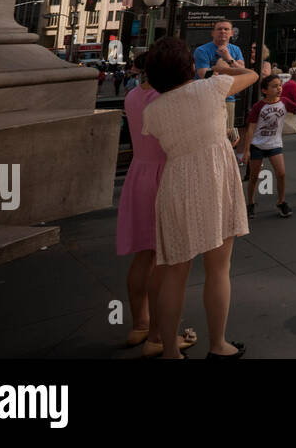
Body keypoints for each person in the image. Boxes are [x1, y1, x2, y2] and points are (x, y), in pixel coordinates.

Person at [142, 37, 257, 358]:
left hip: (175, 184)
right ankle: (218, 345)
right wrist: (221, 67)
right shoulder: (211, 87)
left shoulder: (152, 111)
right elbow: (252, 76)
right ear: (188, 67)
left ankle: (170, 352)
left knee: (175, 272)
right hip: (215, 177)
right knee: (218, 269)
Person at [115, 52, 196, 357]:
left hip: (139, 173)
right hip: (165, 175)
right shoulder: (166, 100)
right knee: (166, 259)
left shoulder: (134, 95)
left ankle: (140, 325)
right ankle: (159, 337)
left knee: (144, 255)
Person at [241, 75, 296, 218]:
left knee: (281, 173)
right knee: (254, 176)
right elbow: (251, 128)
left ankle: (281, 202)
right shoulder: (259, 106)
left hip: (274, 144)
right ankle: (250, 203)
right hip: (257, 145)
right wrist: (246, 150)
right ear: (264, 90)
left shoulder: (284, 102)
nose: (278, 88)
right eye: (274, 86)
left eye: (279, 85)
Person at [193, 20, 247, 132]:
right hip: (207, 98)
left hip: (228, 97)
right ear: (213, 33)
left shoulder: (236, 50)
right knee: (207, 133)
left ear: (231, 33)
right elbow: (204, 76)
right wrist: (220, 68)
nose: (223, 31)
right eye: (219, 29)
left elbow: (243, 73)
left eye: (226, 29)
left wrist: (228, 59)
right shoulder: (202, 50)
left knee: (228, 135)